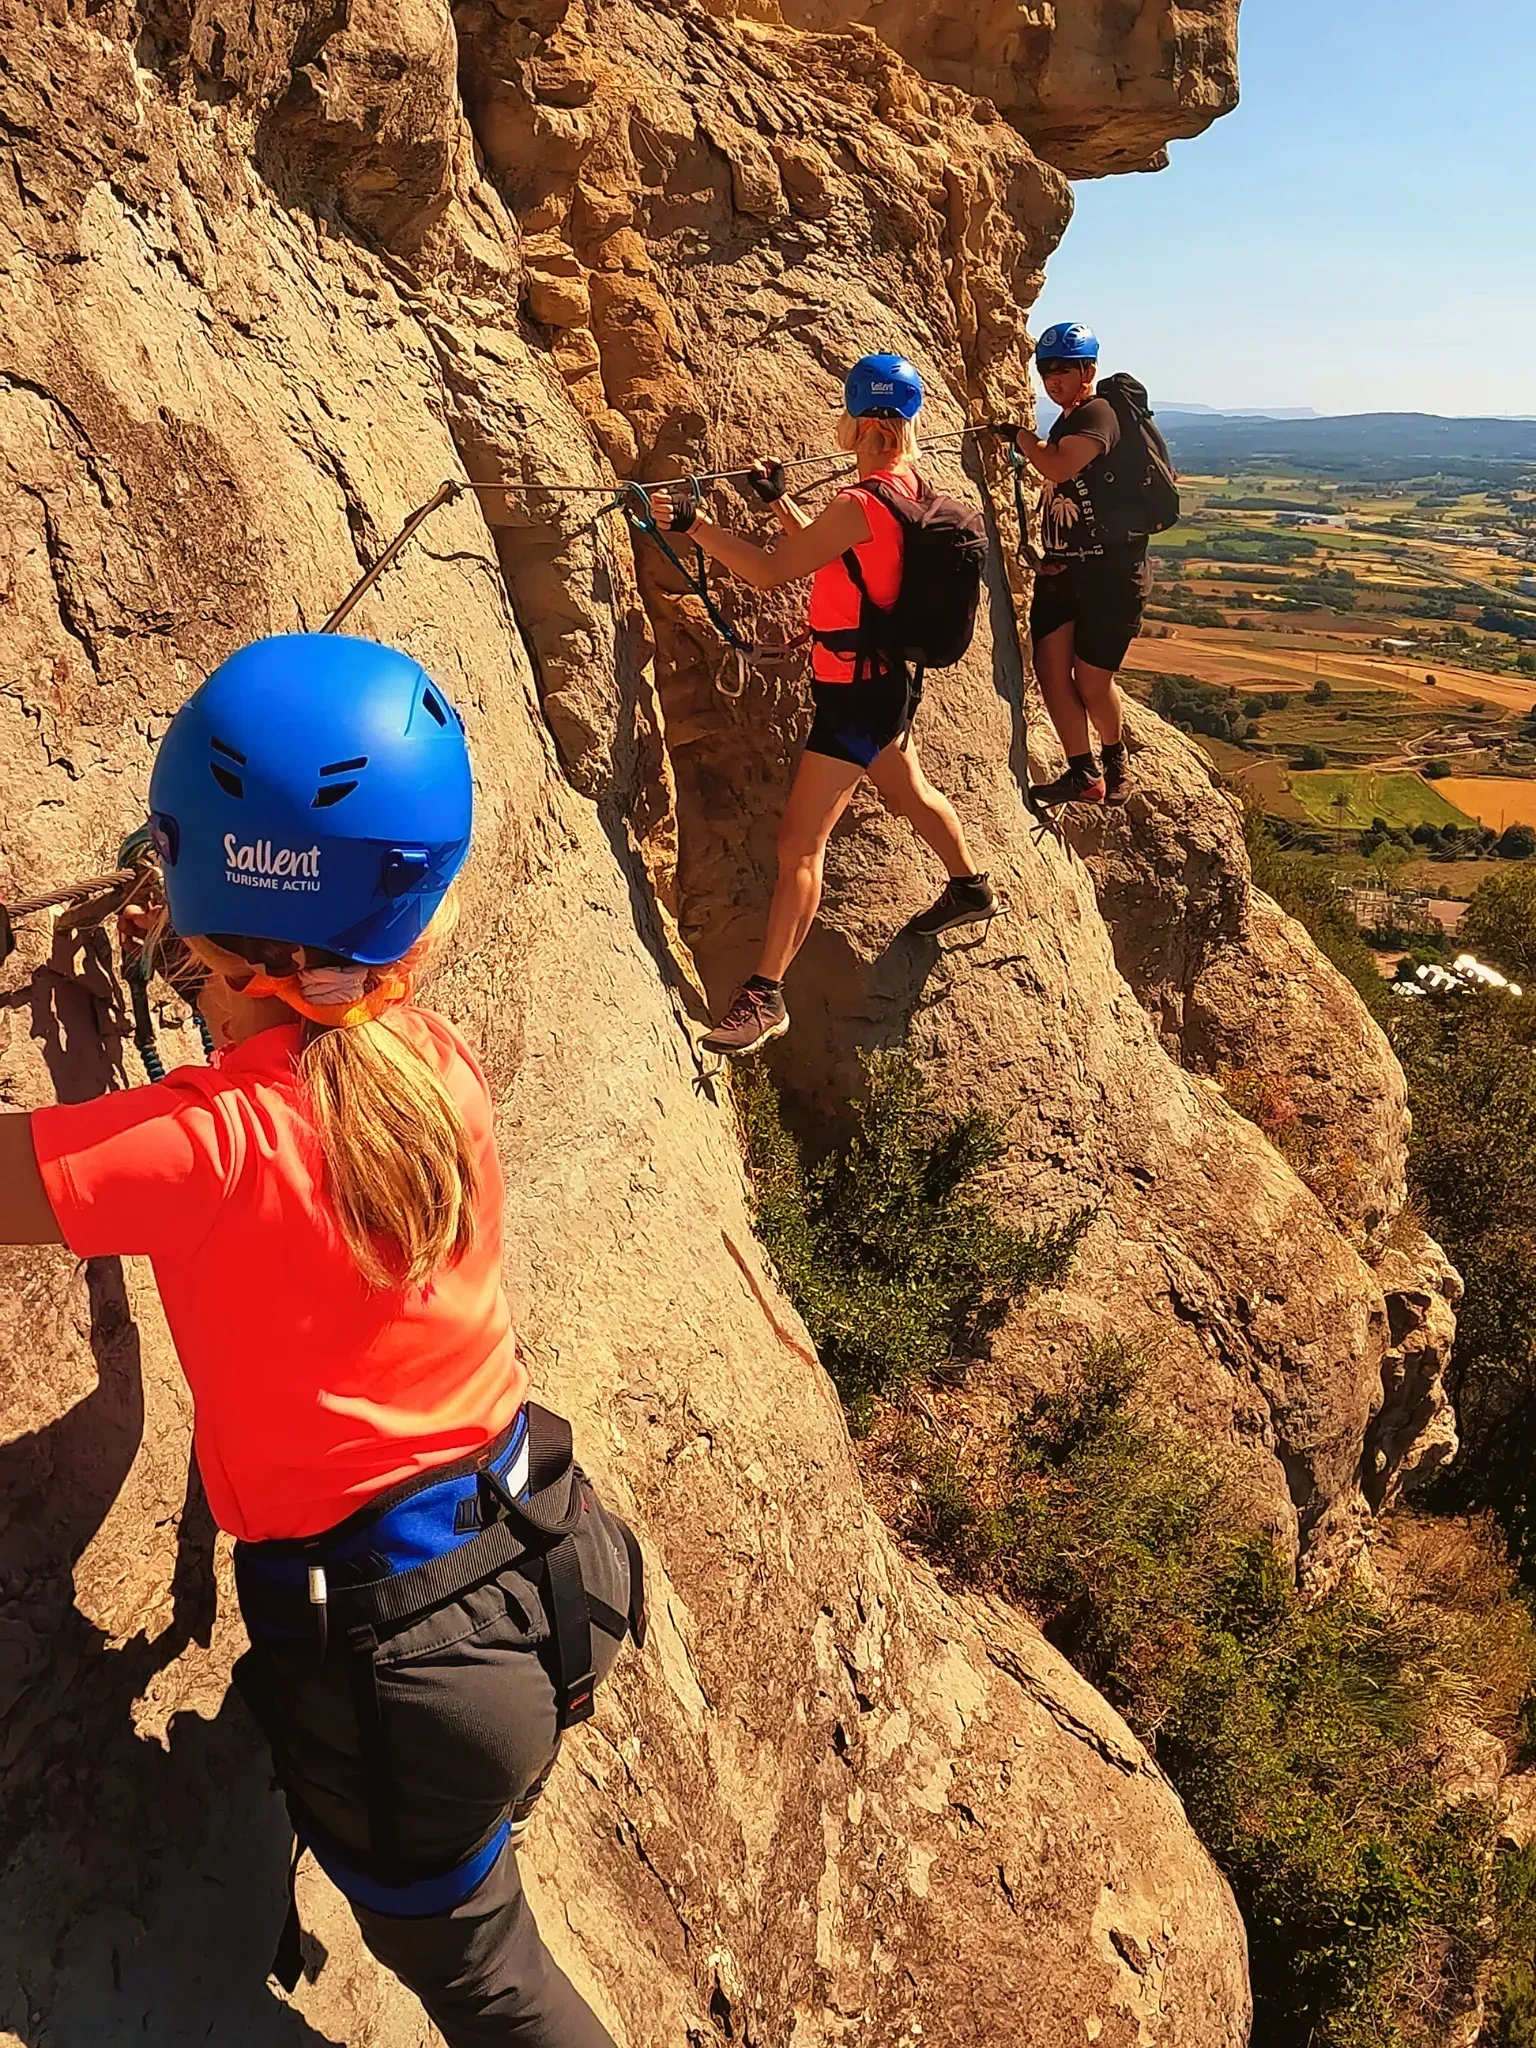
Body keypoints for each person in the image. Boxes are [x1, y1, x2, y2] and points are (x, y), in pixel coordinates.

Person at [0, 633, 644, 2048]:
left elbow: (71, 1174)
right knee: (470, 1870)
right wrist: (208, 947)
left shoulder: (204, 1146)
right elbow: (314, 1037)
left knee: (488, 1982)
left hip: (410, 1669)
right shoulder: (431, 1063)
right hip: (549, 1560)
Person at [657, 352, 996, 1058]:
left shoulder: (857, 503)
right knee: (909, 789)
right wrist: (778, 503)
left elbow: (768, 572)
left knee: (798, 847)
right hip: (885, 683)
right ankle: (970, 888)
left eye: (848, 413)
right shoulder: (907, 490)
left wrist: (694, 526)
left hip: (855, 697)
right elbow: (850, 556)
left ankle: (765, 995)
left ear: (863, 422)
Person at [1007, 322, 1148, 807]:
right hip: (1064, 571)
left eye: (1063, 369)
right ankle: (1083, 773)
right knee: (1050, 669)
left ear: (1088, 370)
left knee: (1090, 680)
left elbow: (1058, 465)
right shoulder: (1069, 419)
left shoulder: (1098, 414)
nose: (1052, 378)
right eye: (1045, 369)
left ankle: (1114, 760)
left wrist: (1021, 438)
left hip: (1111, 577)